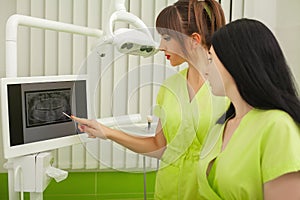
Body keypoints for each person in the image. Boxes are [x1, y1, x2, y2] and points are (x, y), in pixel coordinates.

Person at [72, 0, 227, 199]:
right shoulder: (170, 87)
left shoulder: (229, 88)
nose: (161, 46)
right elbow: (158, 145)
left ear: (194, 40)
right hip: (168, 190)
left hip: (208, 192)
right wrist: (107, 132)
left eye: (167, 38)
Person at [198, 18, 300, 200]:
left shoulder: (277, 127)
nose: (206, 70)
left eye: (211, 59)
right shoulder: (220, 126)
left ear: (235, 61)